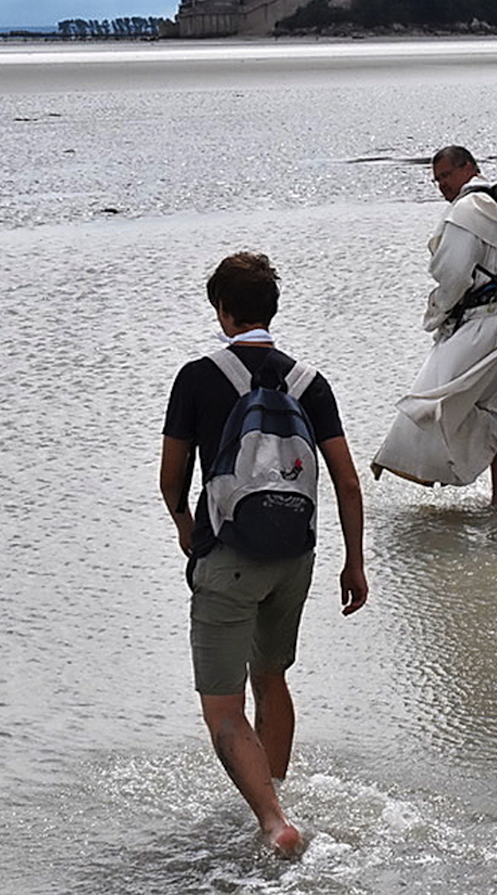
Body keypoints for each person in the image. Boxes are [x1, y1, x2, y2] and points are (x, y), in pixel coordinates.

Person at [159, 251, 369, 854]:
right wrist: (353, 562)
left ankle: (274, 822)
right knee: (271, 678)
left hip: (226, 555)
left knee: (223, 709)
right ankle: (273, 792)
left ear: (223, 312)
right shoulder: (309, 382)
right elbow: (347, 481)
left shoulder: (198, 376)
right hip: (293, 556)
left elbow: (171, 478)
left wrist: (182, 523)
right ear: (271, 310)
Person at [371, 145, 497, 506]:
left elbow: (453, 275)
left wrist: (436, 316)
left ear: (468, 167)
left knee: (439, 401)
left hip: (487, 323)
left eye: (446, 176)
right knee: (495, 407)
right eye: (436, 179)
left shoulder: (467, 211)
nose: (441, 186)